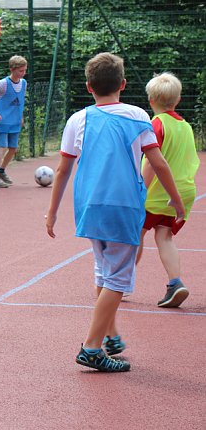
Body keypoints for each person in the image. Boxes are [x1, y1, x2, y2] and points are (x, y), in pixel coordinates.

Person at [45, 52, 185, 372]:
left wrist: (51, 212)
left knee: (103, 271)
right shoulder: (137, 115)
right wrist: (176, 201)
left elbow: (63, 169)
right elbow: (158, 162)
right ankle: (92, 348)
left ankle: (110, 335)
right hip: (123, 206)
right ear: (122, 84)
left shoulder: (77, 119)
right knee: (118, 280)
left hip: (89, 206)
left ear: (88, 87)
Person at [136, 72, 200, 308]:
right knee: (164, 236)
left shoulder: (156, 124)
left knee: (136, 233)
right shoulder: (186, 126)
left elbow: (155, 161)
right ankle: (175, 283)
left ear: (151, 100)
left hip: (157, 191)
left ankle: (120, 284)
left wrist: (139, 188)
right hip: (182, 190)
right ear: (179, 99)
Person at [0, 56, 28, 188]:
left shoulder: (24, 83)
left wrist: (21, 117)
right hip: (2, 121)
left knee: (13, 148)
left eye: (24, 70)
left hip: (14, 122)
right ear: (12, 69)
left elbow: (20, 101)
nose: (23, 73)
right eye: (20, 71)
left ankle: (1, 171)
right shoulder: (3, 83)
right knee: (2, 147)